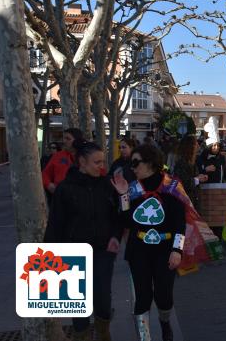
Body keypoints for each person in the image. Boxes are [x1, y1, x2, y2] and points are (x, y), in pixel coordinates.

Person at [45, 140, 122, 341]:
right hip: (73, 253)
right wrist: (49, 257)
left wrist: (115, 236)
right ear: (82, 162)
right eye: (96, 162)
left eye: (102, 162)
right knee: (77, 302)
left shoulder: (107, 185)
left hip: (103, 251)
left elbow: (119, 217)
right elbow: (55, 224)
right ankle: (82, 337)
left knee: (103, 298)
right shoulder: (64, 189)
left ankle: (103, 332)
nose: (101, 166)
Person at [112, 144, 185, 341]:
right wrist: (123, 195)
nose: (132, 167)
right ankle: (145, 337)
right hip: (139, 250)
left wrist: (177, 250)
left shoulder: (172, 186)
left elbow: (180, 223)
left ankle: (165, 323)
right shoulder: (133, 188)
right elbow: (126, 220)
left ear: (151, 163)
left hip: (165, 250)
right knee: (143, 297)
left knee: (164, 296)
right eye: (131, 163)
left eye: (136, 163)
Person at [42, 127, 84, 194]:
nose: (64, 141)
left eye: (68, 139)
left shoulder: (87, 156)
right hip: (60, 195)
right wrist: (48, 185)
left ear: (77, 141)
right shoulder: (57, 156)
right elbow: (45, 174)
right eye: (64, 138)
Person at [173, 135, 208, 210]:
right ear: (190, 146)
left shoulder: (192, 162)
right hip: (185, 204)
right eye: (196, 144)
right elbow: (182, 183)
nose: (198, 146)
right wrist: (197, 179)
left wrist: (199, 177)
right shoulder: (181, 163)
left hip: (192, 202)